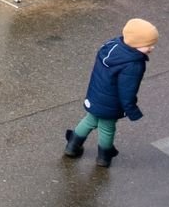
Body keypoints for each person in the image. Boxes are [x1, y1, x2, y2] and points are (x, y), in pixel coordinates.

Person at [63, 18, 156, 168]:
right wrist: (132, 109)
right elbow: (127, 91)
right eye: (147, 45)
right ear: (135, 43)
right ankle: (104, 156)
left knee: (90, 120)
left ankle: (72, 146)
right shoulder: (134, 65)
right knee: (107, 128)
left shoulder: (110, 46)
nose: (151, 48)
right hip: (111, 103)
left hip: (96, 95)